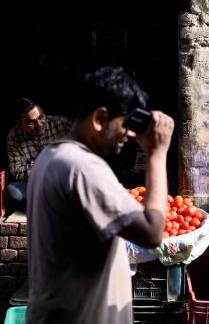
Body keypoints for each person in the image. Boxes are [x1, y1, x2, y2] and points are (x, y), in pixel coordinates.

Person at [26, 66, 174, 324]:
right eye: (125, 124)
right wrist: (157, 153)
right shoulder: (84, 168)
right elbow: (152, 232)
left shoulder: (51, 155)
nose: (129, 134)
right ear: (100, 118)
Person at [5, 97, 70, 210]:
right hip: (35, 184)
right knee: (13, 192)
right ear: (20, 124)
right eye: (31, 122)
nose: (39, 124)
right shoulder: (13, 136)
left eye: (41, 117)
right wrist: (44, 163)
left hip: (63, 180)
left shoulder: (62, 123)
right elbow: (16, 171)